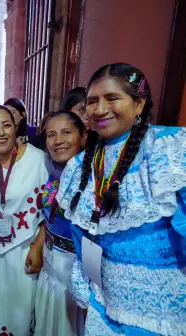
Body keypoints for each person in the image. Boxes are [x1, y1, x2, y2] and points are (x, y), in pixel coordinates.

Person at [56, 63, 186, 335]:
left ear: (139, 104)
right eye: (92, 101)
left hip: (162, 316)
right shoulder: (80, 165)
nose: (100, 109)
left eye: (112, 98)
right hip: (103, 306)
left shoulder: (167, 151)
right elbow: (81, 239)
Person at [0, 105, 48, 336]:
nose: (1, 132)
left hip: (26, 249)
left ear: (16, 128)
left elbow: (51, 207)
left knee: (22, 311)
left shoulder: (39, 160)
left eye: (6, 125)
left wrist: (38, 245)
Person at [35, 111, 86, 335]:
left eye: (66, 133)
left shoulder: (91, 176)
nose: (58, 141)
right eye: (51, 135)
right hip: (49, 261)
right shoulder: (53, 172)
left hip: (75, 268)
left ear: (83, 136)